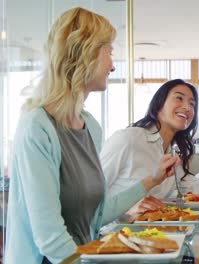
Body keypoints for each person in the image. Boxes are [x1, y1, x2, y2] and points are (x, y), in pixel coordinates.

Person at [5, 8, 174, 263]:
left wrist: (152, 180)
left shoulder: (91, 127)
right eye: (109, 51)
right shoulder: (37, 128)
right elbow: (50, 238)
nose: (113, 65)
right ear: (85, 53)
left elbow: (97, 213)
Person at [101, 79, 199, 202]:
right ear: (159, 104)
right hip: (114, 236)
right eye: (179, 98)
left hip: (155, 235)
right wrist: (124, 212)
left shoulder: (173, 157)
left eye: (192, 104)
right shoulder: (129, 138)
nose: (187, 107)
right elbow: (90, 196)